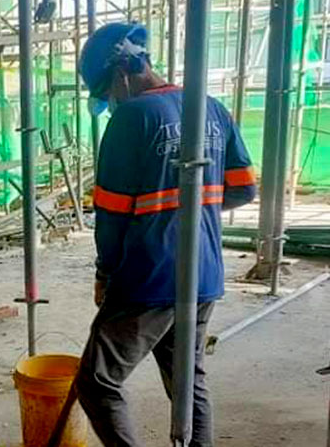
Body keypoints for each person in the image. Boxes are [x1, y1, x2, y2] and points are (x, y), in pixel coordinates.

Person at [75, 22, 257, 447]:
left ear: (122, 74)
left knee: (97, 382)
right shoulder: (211, 108)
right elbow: (244, 187)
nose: (111, 102)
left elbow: (113, 215)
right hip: (204, 272)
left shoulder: (131, 118)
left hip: (148, 276)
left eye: (107, 92)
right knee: (187, 382)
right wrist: (191, 208)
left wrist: (105, 273)